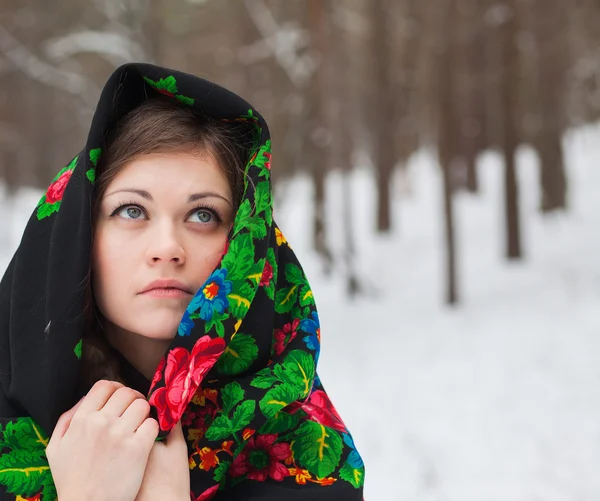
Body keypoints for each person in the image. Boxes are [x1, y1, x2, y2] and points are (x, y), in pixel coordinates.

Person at [0, 63, 365, 501]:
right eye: (132, 211)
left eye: (202, 215)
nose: (168, 247)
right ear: (76, 234)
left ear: (243, 245)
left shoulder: (301, 451)